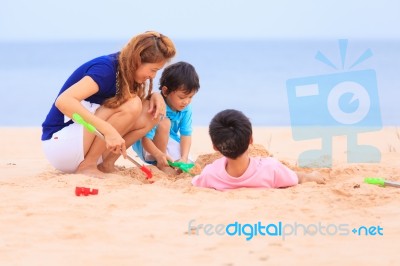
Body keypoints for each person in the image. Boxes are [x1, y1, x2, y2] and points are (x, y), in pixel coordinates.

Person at [41, 31, 176, 178]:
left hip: (83, 145)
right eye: (153, 70)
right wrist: (107, 129)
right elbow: (64, 101)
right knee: (132, 104)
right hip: (61, 144)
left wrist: (156, 96)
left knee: (151, 112)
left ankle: (105, 164)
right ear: (137, 60)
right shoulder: (105, 69)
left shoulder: (126, 69)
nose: (153, 76)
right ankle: (88, 165)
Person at [191, 109, 326, 191]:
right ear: (251, 140)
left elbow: (196, 181)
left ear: (215, 147)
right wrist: (312, 176)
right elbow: (297, 178)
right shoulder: (271, 167)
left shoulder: (210, 173)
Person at [132, 61, 200, 173]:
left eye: (190, 97)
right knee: (165, 122)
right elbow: (145, 139)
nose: (186, 101)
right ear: (165, 91)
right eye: (182, 97)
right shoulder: (157, 106)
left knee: (187, 163)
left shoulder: (186, 108)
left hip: (169, 140)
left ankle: (169, 161)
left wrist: (184, 157)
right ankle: (161, 165)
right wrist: (159, 155)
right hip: (148, 147)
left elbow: (186, 135)